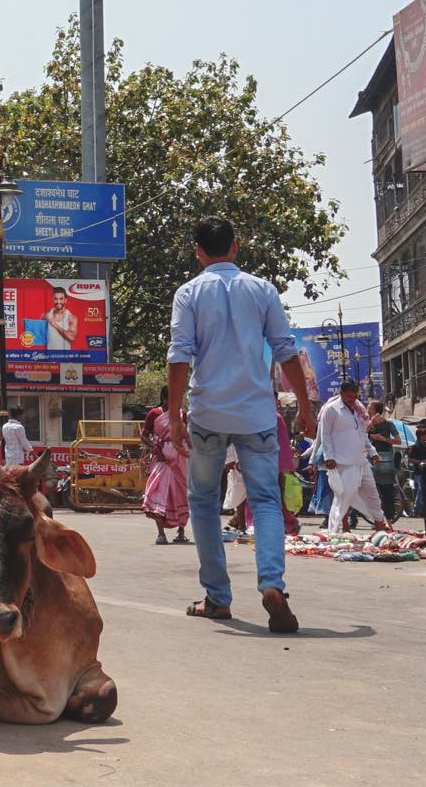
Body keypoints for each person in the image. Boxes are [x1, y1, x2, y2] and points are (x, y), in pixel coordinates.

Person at [166, 216, 314, 634]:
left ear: (199, 251)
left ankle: (216, 597)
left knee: (204, 502)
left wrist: (176, 414)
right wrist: (305, 407)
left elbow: (179, 355)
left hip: (208, 413)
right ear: (235, 245)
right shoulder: (262, 290)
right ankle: (272, 584)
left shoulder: (188, 294)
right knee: (265, 501)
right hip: (256, 414)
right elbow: (286, 351)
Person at [319, 378, 391, 535]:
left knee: (372, 493)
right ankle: (339, 528)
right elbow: (324, 435)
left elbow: (362, 434)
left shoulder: (358, 411)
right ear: (341, 394)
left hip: (360, 460)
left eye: (355, 397)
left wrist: (373, 452)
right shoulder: (331, 410)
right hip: (342, 461)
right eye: (349, 397)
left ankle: (379, 524)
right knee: (344, 496)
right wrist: (328, 456)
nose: (352, 400)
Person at [141, 407, 189, 544]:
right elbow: (144, 436)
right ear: (164, 398)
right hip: (161, 460)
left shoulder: (182, 414)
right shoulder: (154, 414)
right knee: (157, 493)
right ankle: (161, 534)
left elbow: (186, 435)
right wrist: (156, 448)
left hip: (179, 461)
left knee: (181, 494)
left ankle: (181, 532)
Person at [366, 400, 401, 520]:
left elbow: (398, 440)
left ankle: (389, 517)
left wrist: (384, 439)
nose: (367, 411)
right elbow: (360, 435)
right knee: (370, 491)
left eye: (370, 409)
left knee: (387, 491)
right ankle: (375, 518)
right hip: (370, 460)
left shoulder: (388, 424)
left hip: (385, 461)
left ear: (376, 411)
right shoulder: (367, 423)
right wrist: (371, 430)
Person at [406, 426, 426, 521]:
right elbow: (410, 459)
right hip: (419, 473)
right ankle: (416, 511)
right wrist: (421, 461)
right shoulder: (415, 447)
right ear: (421, 436)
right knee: (420, 492)